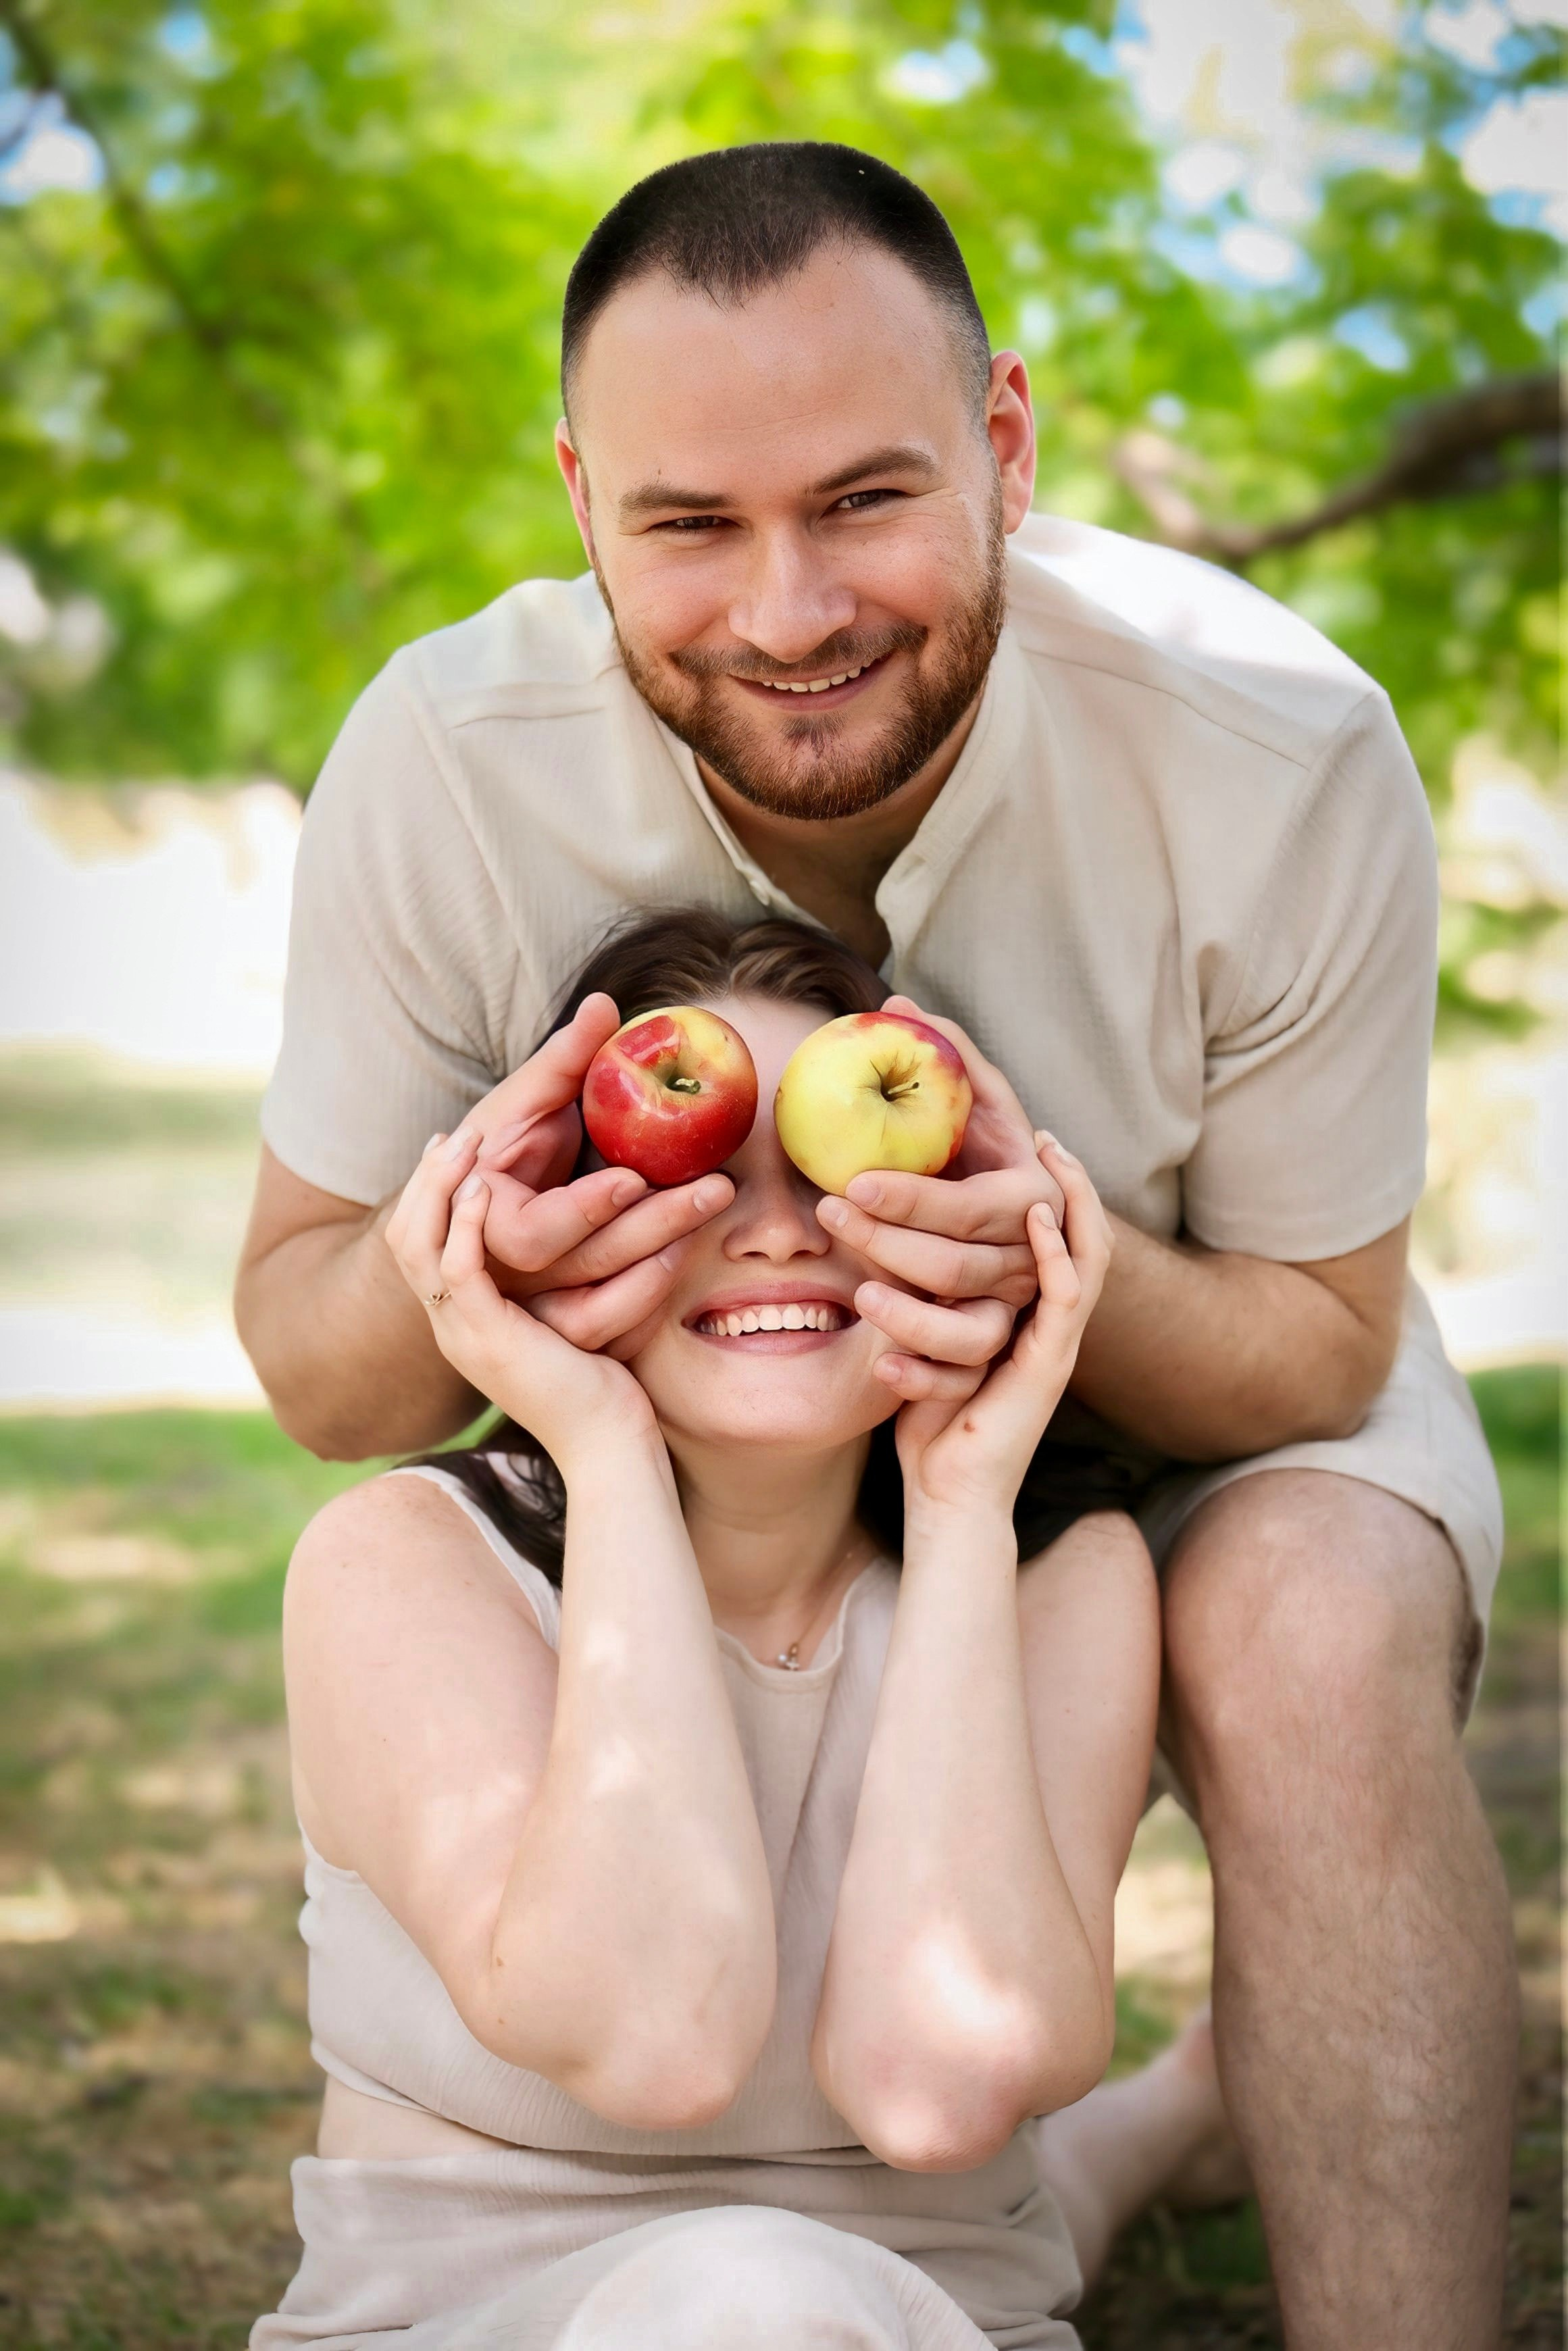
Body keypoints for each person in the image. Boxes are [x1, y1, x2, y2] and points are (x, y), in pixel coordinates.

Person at [236, 145, 1515, 2344]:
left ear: (1005, 445)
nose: (790, 608)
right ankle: (1141, 2136)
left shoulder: (1275, 748)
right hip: (685, 1433)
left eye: (863, 499)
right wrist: (468, 1248)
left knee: (1306, 1616)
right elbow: (317, 1357)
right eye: (688, 523)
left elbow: (1319, 1348)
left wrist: (1049, 1283)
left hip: (1193, 1337)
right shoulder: (444, 766)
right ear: (577, 498)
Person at [253, 909, 1240, 2350]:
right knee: (745, 2300)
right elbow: (660, 2039)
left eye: (847, 1164)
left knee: (785, 2293)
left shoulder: (1056, 1574)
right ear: (564, 1225)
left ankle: (1156, 2132)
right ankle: (1166, 2126)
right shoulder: (401, 1567)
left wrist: (963, 1506)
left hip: (922, 2314)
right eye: (694, 1172)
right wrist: (596, 1443)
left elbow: (940, 2088)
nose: (777, 1230)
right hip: (474, 2323)